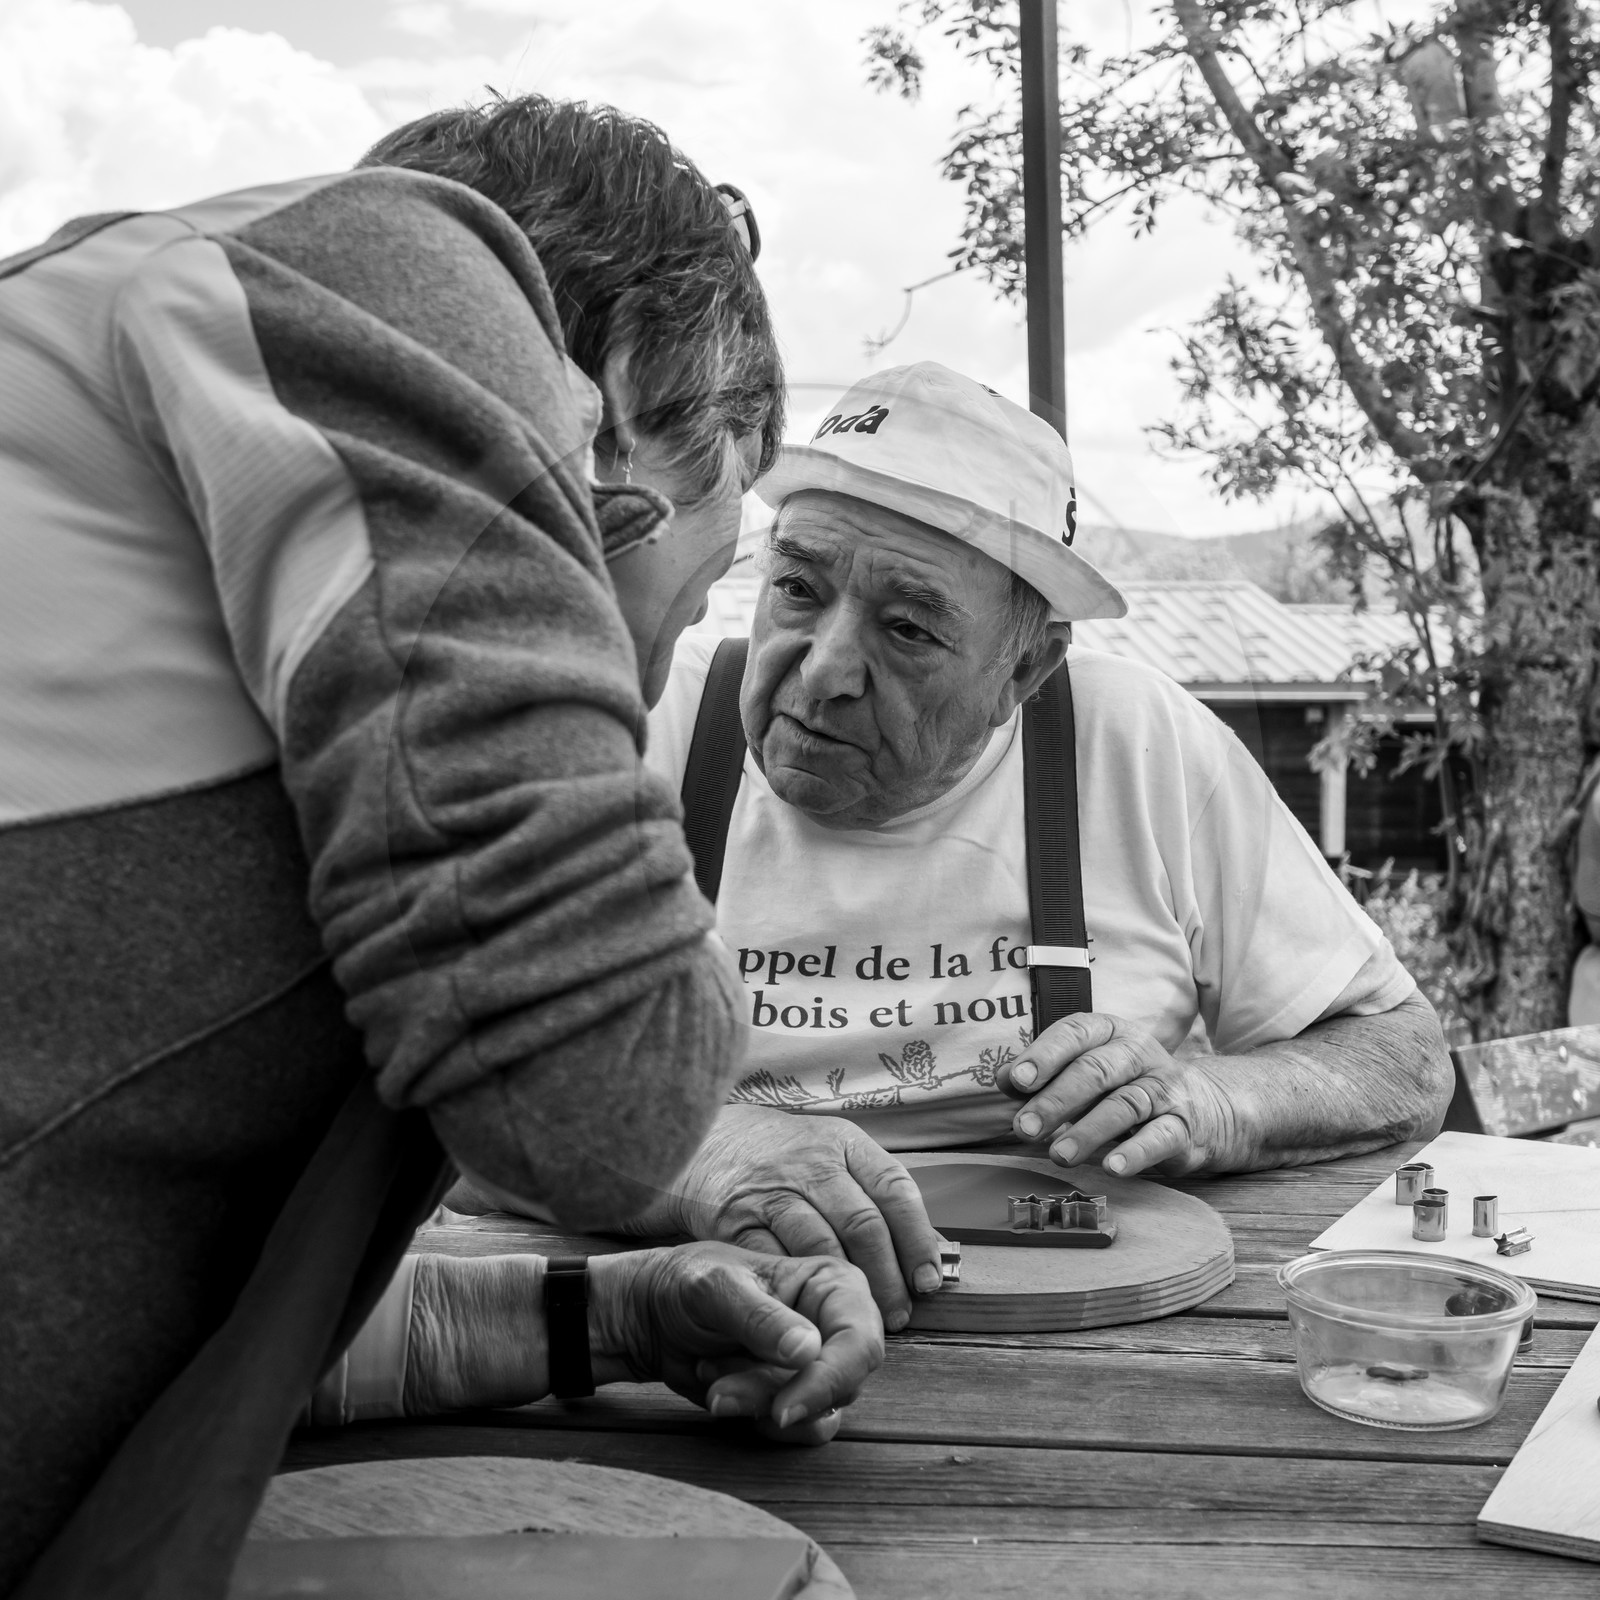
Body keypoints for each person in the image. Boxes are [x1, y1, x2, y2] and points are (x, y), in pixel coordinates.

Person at [0, 95, 880, 1599]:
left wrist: (599, 1316)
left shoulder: (201, 558)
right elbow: (605, 1101)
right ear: (603, 408)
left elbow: (129, 1323)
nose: (665, 670)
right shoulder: (390, 268)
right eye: (698, 575)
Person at [618, 361, 1454, 1329]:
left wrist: (1214, 1099)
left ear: (1027, 663)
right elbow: (454, 1088)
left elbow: (1403, 1058)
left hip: (1100, 1331)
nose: (827, 667)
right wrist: (693, 1154)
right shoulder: (648, 728)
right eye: (799, 587)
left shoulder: (1132, 744)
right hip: (699, 1321)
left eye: (906, 627)